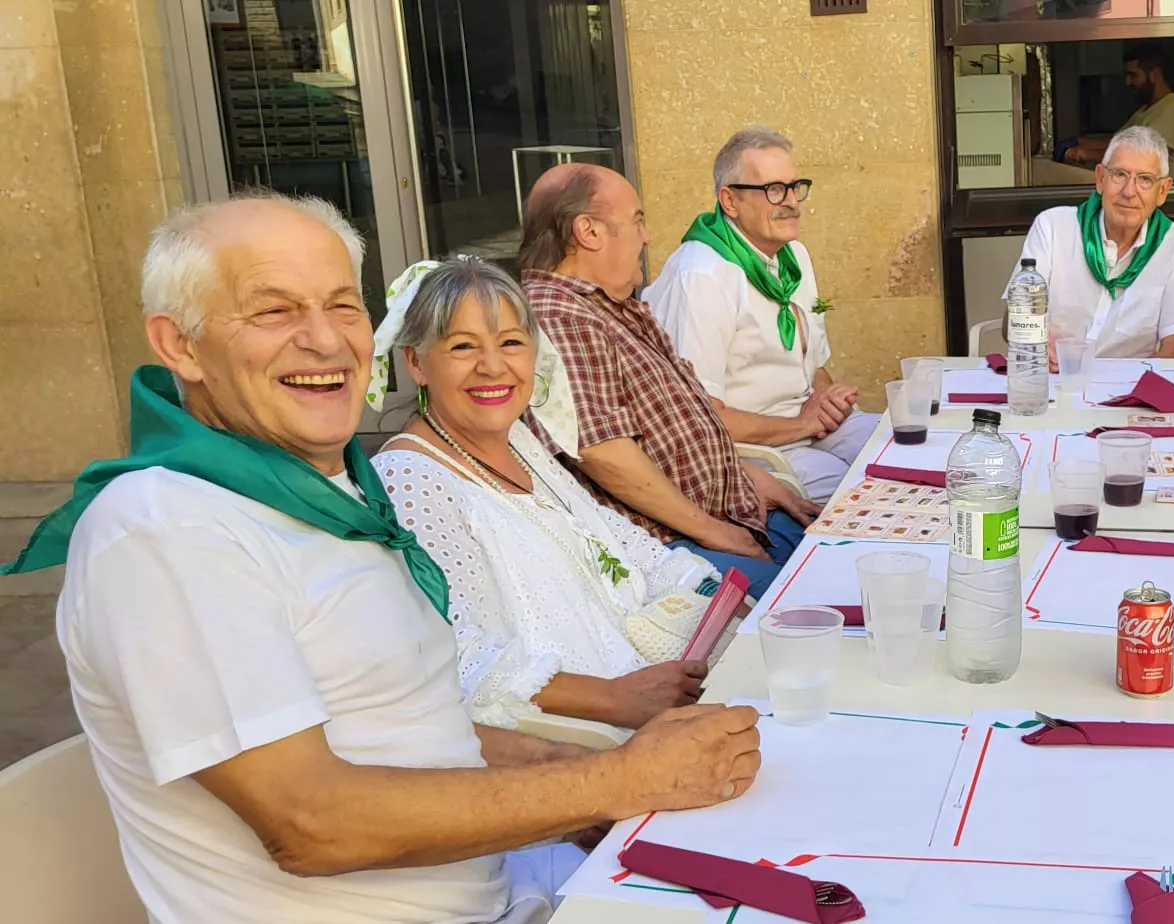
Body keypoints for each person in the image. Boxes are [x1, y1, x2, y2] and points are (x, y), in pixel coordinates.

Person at [0, 194, 760, 924]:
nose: (325, 340)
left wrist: (579, 791)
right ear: (178, 345)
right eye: (274, 310)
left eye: (341, 304)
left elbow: (417, 726)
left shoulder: (329, 496)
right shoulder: (166, 529)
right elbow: (312, 824)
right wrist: (612, 781)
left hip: (503, 889)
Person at [370, 256, 720, 732]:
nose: (493, 366)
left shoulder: (519, 441)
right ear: (416, 362)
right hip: (582, 740)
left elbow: (620, 540)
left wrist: (709, 593)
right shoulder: (408, 479)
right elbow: (449, 650)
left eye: (511, 342)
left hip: (658, 690)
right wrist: (615, 698)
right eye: (462, 346)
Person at [518, 163, 819, 597]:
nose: (646, 237)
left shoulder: (610, 304)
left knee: (850, 559)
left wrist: (744, 475)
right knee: (810, 606)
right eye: (637, 220)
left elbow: (683, 422)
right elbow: (602, 451)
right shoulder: (559, 315)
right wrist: (716, 532)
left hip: (733, 510)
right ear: (589, 231)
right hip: (670, 546)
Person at [643, 128, 877, 502]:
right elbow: (701, 417)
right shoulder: (702, 275)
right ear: (730, 201)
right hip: (748, 451)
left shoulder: (793, 255)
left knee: (907, 451)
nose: (791, 202)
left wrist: (825, 402)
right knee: (861, 496)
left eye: (794, 186)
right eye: (773, 190)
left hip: (807, 425)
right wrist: (803, 423)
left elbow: (814, 366)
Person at [1015, 125, 1174, 360]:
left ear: (1162, 191)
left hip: (1129, 388)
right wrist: (1033, 338)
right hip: (1055, 379)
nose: (1129, 191)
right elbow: (1012, 323)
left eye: (1145, 180)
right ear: (1100, 179)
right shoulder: (1052, 227)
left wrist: (1135, 393)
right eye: (1119, 174)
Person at [1054, 43, 1174, 181]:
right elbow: (1116, 143)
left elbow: (1140, 155)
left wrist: (1085, 154)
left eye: (1133, 75)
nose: (1127, 82)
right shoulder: (1145, 111)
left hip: (1167, 198)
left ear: (1155, 75)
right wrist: (1077, 142)